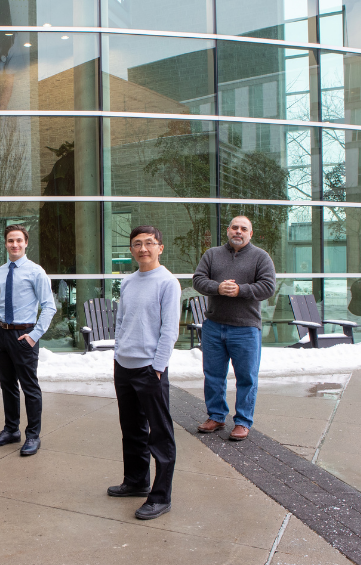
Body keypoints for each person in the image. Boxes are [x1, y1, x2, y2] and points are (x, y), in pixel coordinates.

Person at [107, 226, 181, 521]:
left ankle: (160, 496)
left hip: (150, 369)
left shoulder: (167, 282)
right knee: (132, 429)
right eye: (137, 244)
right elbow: (122, 321)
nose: (143, 249)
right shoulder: (128, 281)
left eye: (149, 243)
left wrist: (159, 367)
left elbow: (169, 329)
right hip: (124, 366)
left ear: (160, 247)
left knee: (160, 435)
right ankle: (136, 481)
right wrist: (117, 354)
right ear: (131, 250)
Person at [192, 216, 276, 441]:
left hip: (246, 328)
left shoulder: (261, 257)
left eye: (244, 229)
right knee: (213, 375)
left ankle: (242, 422)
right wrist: (218, 287)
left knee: (246, 377)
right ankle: (217, 416)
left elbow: (268, 287)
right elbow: (198, 280)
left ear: (250, 233)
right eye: (235, 227)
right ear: (228, 231)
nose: (238, 231)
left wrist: (241, 290)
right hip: (214, 326)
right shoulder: (212, 255)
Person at [0, 225, 56, 456]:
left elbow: (49, 307)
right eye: (10, 241)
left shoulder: (36, 272)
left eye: (18, 241)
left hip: (23, 335)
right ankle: (11, 430)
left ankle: (33, 435)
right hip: (1, 334)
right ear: (5, 243)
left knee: (29, 387)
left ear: (26, 243)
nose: (14, 245)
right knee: (7, 385)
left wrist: (34, 336)